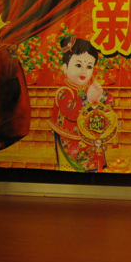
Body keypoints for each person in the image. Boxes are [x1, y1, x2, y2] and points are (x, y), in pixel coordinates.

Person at [48, 35, 115, 172]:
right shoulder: (64, 91)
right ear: (65, 68)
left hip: (89, 135)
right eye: (78, 65)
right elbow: (70, 112)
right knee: (76, 168)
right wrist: (87, 99)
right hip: (70, 138)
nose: (84, 71)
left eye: (89, 66)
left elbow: (110, 101)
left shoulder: (90, 88)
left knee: (96, 160)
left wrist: (102, 96)